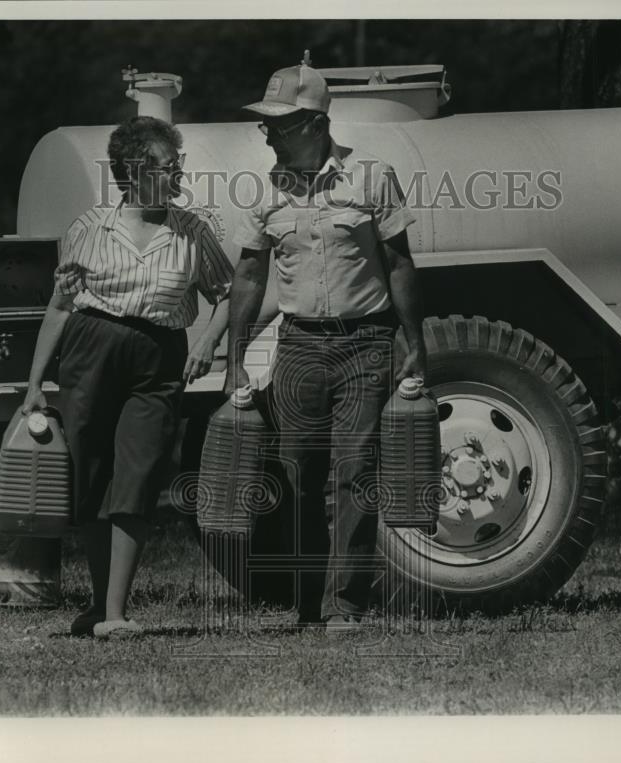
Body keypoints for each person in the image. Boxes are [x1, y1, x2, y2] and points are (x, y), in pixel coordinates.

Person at [225, 58, 427, 634]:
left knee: (354, 472)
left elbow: (400, 264)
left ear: (314, 124)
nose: (268, 134)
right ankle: (307, 603)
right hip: (297, 348)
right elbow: (247, 276)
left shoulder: (371, 177)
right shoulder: (265, 191)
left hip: (365, 343)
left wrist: (415, 346)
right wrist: (236, 357)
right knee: (298, 475)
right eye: (265, 125)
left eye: (279, 125)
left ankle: (345, 606)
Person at [22, 116, 234, 639]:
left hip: (159, 357)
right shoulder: (89, 228)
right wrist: (33, 385)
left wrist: (209, 342)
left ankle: (115, 612)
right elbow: (59, 305)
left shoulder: (193, 231)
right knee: (91, 474)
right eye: (169, 166)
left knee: (138, 476)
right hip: (90, 347)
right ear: (136, 173)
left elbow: (230, 292)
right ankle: (99, 607)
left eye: (179, 164)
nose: (179, 175)